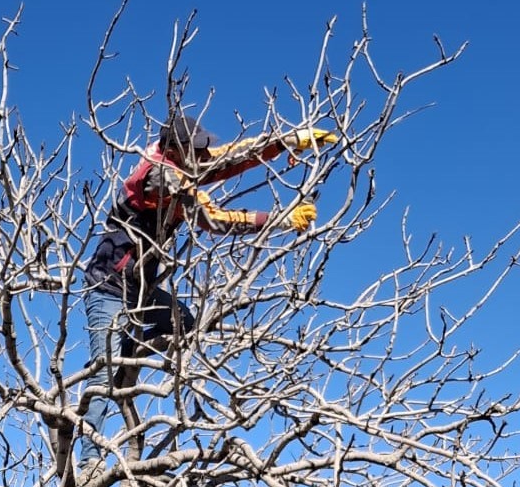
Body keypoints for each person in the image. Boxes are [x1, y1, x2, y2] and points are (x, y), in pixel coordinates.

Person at [79, 113, 334, 435]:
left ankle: (123, 353)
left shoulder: (180, 162)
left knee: (182, 324)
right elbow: (213, 220)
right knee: (102, 376)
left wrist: (288, 140)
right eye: (193, 149)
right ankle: (89, 458)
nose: (200, 155)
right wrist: (280, 219)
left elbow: (228, 157)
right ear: (173, 150)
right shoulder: (162, 176)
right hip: (109, 285)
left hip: (139, 287)